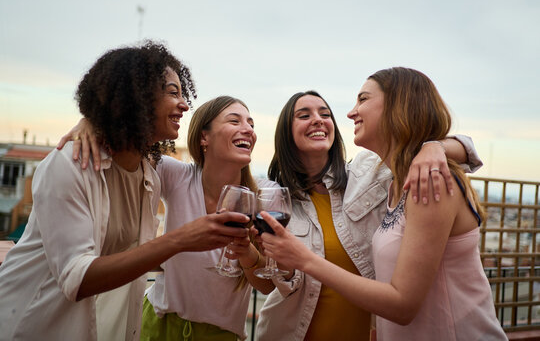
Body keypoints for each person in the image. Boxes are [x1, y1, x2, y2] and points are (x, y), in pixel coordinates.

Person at [0, 42, 250, 341]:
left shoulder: (148, 174)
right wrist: (180, 239)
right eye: (173, 93)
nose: (185, 105)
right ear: (137, 97)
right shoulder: (69, 164)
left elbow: (134, 255)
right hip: (30, 324)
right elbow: (76, 279)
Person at [259, 68, 507, 340]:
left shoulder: (426, 180)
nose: (351, 113)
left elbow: (402, 304)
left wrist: (435, 146)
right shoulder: (395, 186)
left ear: (398, 107)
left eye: (363, 100)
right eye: (304, 115)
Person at [58, 96, 277, 340]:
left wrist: (246, 252)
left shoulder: (263, 196)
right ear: (204, 137)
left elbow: (267, 285)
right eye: (234, 121)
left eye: (251, 124)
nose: (247, 129)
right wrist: (91, 123)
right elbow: (122, 146)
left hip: (221, 335)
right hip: (156, 325)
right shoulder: (178, 176)